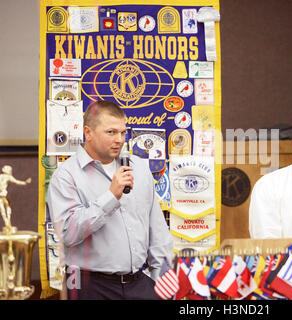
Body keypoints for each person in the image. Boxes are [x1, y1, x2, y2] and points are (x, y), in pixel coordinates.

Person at [47, 100, 173, 300]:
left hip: (140, 285)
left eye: (123, 133)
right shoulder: (66, 176)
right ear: (88, 133)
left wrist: (163, 281)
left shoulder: (138, 168)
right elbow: (67, 234)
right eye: (111, 132)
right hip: (91, 287)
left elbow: (157, 231)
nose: (119, 140)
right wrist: (111, 197)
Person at [0, 165, 31, 231]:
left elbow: (17, 182)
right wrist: (25, 183)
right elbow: (17, 182)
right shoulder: (4, 177)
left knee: (6, 208)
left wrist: (25, 183)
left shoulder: (8, 177)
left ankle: (7, 222)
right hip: (2, 195)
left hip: (3, 195)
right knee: (3, 209)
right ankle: (7, 222)